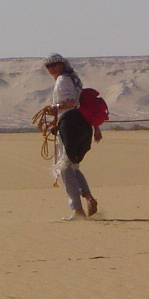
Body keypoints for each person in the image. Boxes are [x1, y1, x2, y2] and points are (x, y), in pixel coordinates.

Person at [41, 54, 100, 221]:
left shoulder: (62, 80)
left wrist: (55, 107)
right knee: (73, 166)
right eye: (49, 66)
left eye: (55, 64)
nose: (52, 68)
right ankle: (88, 198)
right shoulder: (75, 79)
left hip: (70, 123)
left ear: (62, 64)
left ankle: (77, 210)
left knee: (65, 168)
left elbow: (72, 102)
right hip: (81, 124)